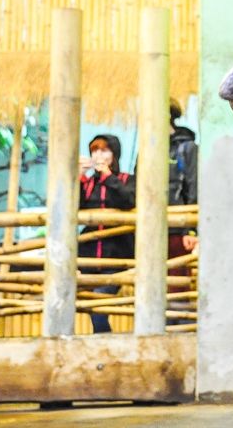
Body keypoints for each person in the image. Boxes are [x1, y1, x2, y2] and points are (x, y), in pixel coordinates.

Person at [78, 134, 135, 334]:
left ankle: (103, 342)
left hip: (117, 257)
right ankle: (103, 341)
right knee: (90, 304)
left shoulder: (127, 180)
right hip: (88, 257)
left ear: (114, 154)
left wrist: (108, 176)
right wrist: (78, 177)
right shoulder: (88, 183)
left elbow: (128, 200)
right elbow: (74, 206)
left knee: (98, 303)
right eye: (95, 151)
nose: (99, 155)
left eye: (104, 150)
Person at [167, 99, 198, 321]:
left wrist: (190, 229)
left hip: (179, 230)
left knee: (178, 287)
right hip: (154, 231)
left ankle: (179, 331)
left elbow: (194, 188)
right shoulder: (147, 148)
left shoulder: (187, 148)